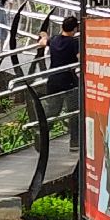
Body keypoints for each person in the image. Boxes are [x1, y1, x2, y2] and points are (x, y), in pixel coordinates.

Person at [38, 15, 82, 150]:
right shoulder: (74, 42)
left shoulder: (55, 40)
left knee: (53, 110)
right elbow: (80, 58)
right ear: (75, 29)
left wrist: (44, 36)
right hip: (69, 80)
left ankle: (41, 136)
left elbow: (42, 42)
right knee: (74, 111)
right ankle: (75, 141)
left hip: (53, 79)